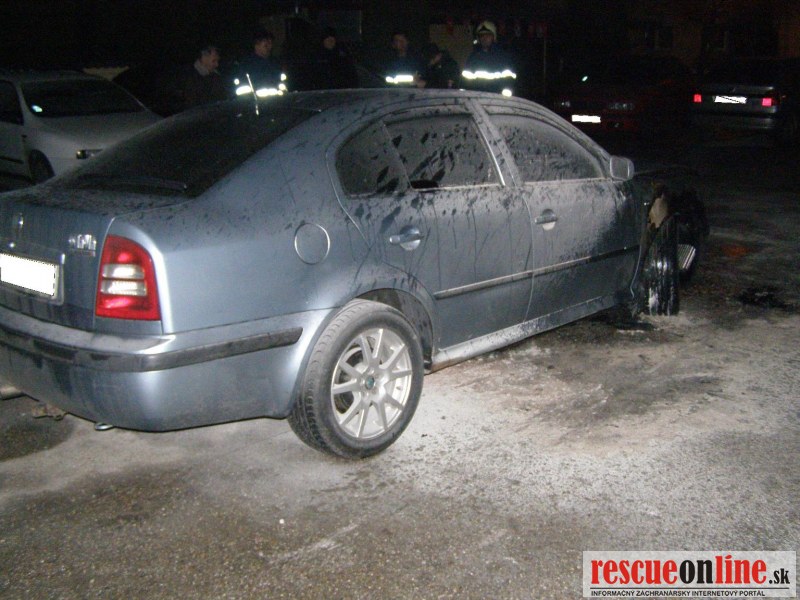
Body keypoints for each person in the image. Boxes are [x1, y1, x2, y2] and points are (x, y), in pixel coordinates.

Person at [462, 21, 517, 96]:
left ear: (493, 37)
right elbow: (465, 83)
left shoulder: (503, 58)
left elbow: (510, 82)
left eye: (488, 35)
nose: (484, 38)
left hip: (498, 99)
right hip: (478, 99)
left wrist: (505, 96)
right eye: (481, 35)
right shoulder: (473, 58)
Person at [233, 30, 286, 97]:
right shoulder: (247, 64)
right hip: (255, 99)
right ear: (256, 45)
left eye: (270, 44)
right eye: (266, 45)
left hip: (275, 98)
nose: (269, 47)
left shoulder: (275, 62)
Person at [181, 45, 227, 110]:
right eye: (213, 61)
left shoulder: (216, 77)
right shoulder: (190, 78)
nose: (217, 64)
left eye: (217, 61)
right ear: (204, 59)